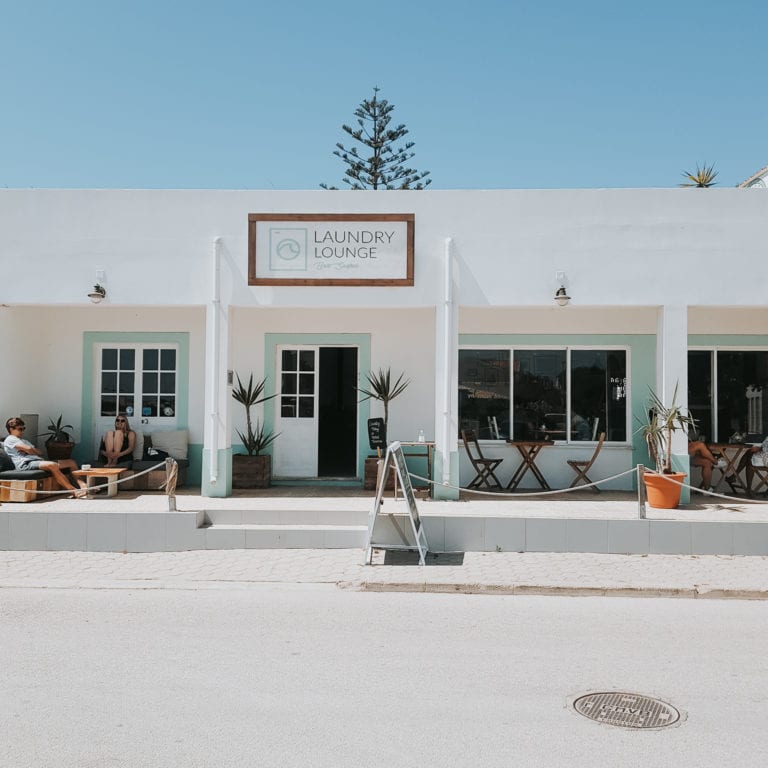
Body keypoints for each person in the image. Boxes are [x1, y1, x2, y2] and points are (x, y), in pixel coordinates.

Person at [3, 416, 86, 498]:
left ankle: (83, 486)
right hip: (25, 464)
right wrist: (29, 450)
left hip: (36, 461)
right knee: (52, 465)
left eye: (23, 429)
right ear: (11, 429)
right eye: (20, 429)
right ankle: (73, 490)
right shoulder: (10, 439)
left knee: (71, 463)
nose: (22, 431)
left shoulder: (24, 441)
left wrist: (29, 450)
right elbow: (29, 449)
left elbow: (39, 452)